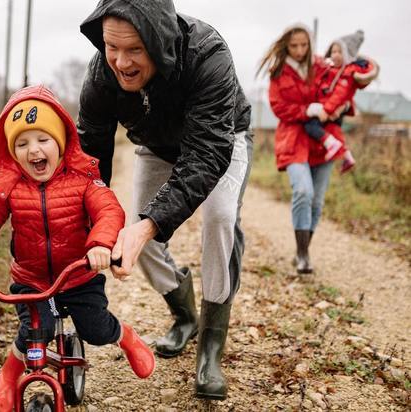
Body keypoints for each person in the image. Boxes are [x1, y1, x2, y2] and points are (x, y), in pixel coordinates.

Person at [77, 0, 253, 400]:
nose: (121, 62)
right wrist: (89, 221)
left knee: (220, 218)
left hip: (221, 141)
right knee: (137, 230)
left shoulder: (208, 54)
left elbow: (207, 154)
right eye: (111, 47)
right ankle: (184, 315)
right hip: (155, 146)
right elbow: (90, 157)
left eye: (135, 49)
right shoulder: (100, 75)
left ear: (159, 41)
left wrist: (149, 225)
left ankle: (211, 347)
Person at [0, 85, 155, 412]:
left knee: (96, 329)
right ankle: (9, 376)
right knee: (32, 334)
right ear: (13, 152)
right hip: (32, 281)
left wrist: (99, 244)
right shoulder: (9, 186)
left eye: (43, 140)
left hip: (78, 276)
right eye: (22, 143)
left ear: (60, 141)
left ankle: (125, 337)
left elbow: (109, 210)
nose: (34, 150)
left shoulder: (83, 179)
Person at [257, 25, 377, 274]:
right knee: (303, 191)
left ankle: (304, 251)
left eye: (304, 45)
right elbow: (279, 108)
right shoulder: (278, 72)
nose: (300, 50)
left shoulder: (321, 64)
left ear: (309, 44)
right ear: (286, 45)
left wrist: (348, 101)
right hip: (293, 139)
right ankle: (302, 254)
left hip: (323, 141)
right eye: (294, 45)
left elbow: (344, 79)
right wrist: (308, 110)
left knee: (317, 201)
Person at [304, 29, 379, 173]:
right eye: (333, 51)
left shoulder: (346, 73)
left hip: (329, 110)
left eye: (339, 52)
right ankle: (347, 156)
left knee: (310, 126)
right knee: (334, 132)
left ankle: (330, 144)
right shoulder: (331, 70)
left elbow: (339, 95)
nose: (335, 55)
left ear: (347, 55)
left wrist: (326, 110)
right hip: (330, 109)